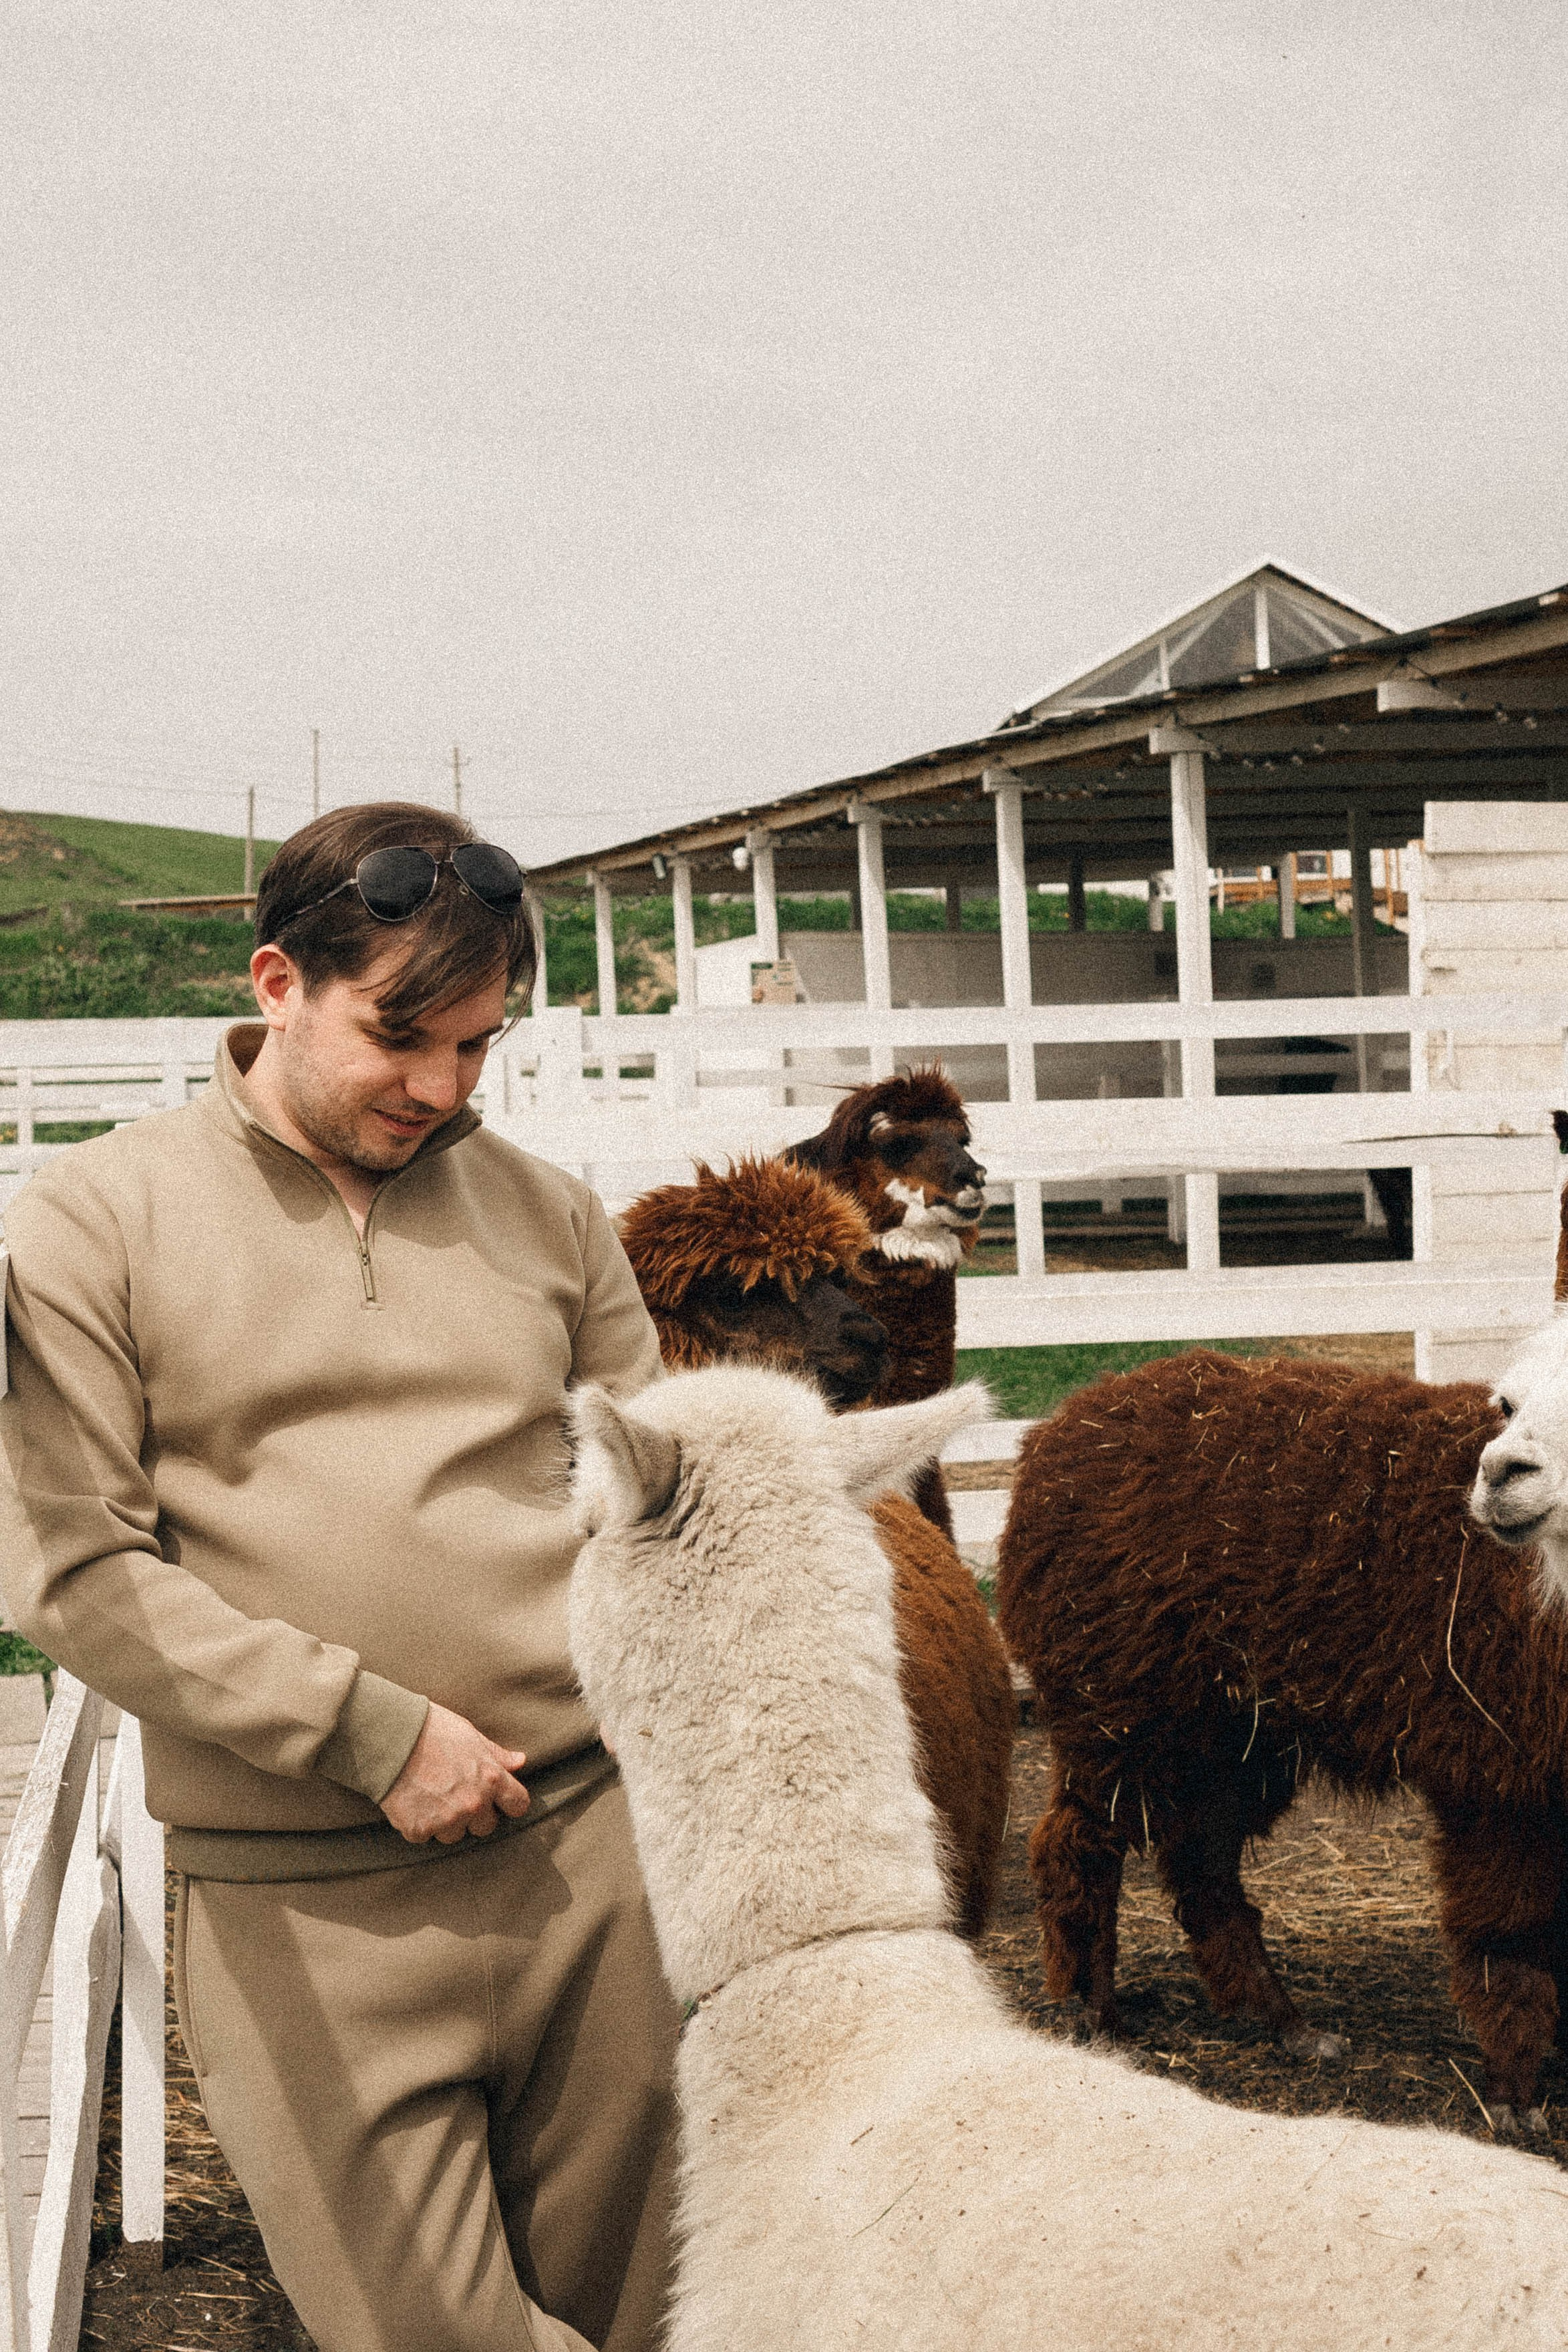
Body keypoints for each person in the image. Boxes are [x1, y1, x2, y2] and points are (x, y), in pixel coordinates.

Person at [0, 804, 675, 2352]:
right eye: (401, 1036)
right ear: (274, 982)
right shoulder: (95, 1218)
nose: (442, 1089)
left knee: (638, 2318)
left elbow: (652, 1512)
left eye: (480, 1046)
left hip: (594, 1867)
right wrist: (375, 1732)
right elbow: (73, 1568)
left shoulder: (552, 1213)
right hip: (303, 1894)